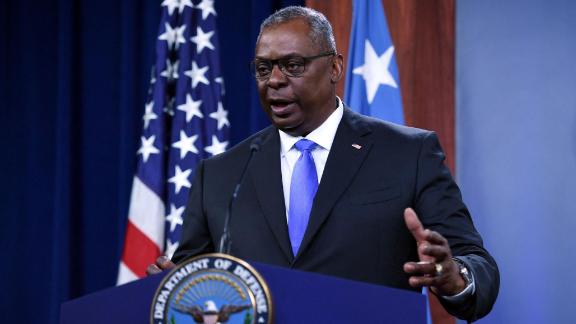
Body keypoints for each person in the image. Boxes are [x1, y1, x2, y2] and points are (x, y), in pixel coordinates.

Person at [147, 6, 499, 321]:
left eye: (293, 65)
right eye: (263, 68)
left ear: (334, 67)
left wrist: (456, 278)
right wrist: (178, 285)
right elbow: (193, 278)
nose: (275, 80)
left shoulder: (409, 154)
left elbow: (478, 268)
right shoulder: (221, 174)